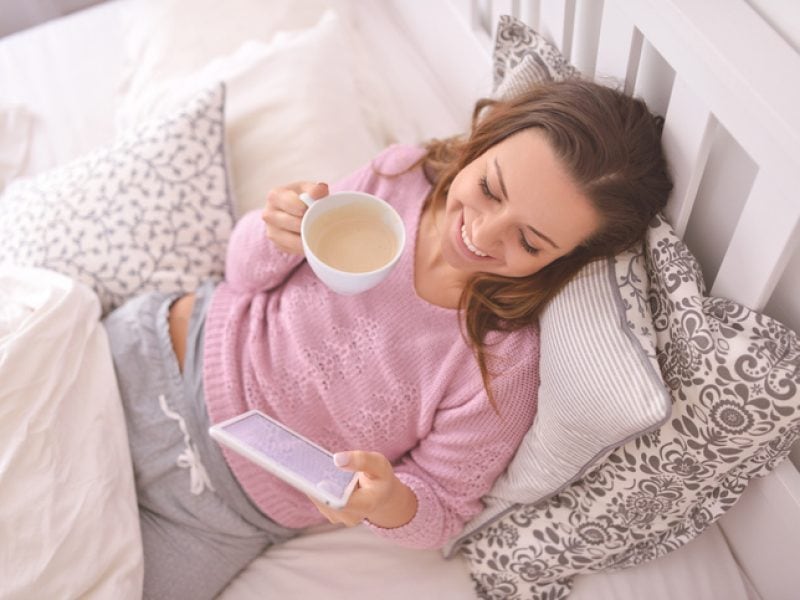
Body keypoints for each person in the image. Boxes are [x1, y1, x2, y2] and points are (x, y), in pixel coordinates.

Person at [103, 78, 672, 598]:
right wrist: (274, 229)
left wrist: (390, 501)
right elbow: (245, 275)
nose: (483, 233)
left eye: (529, 242)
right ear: (482, 141)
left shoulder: (503, 361)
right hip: (157, 358)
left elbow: (443, 506)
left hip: (221, 516)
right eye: (490, 189)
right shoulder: (397, 178)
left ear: (566, 260)